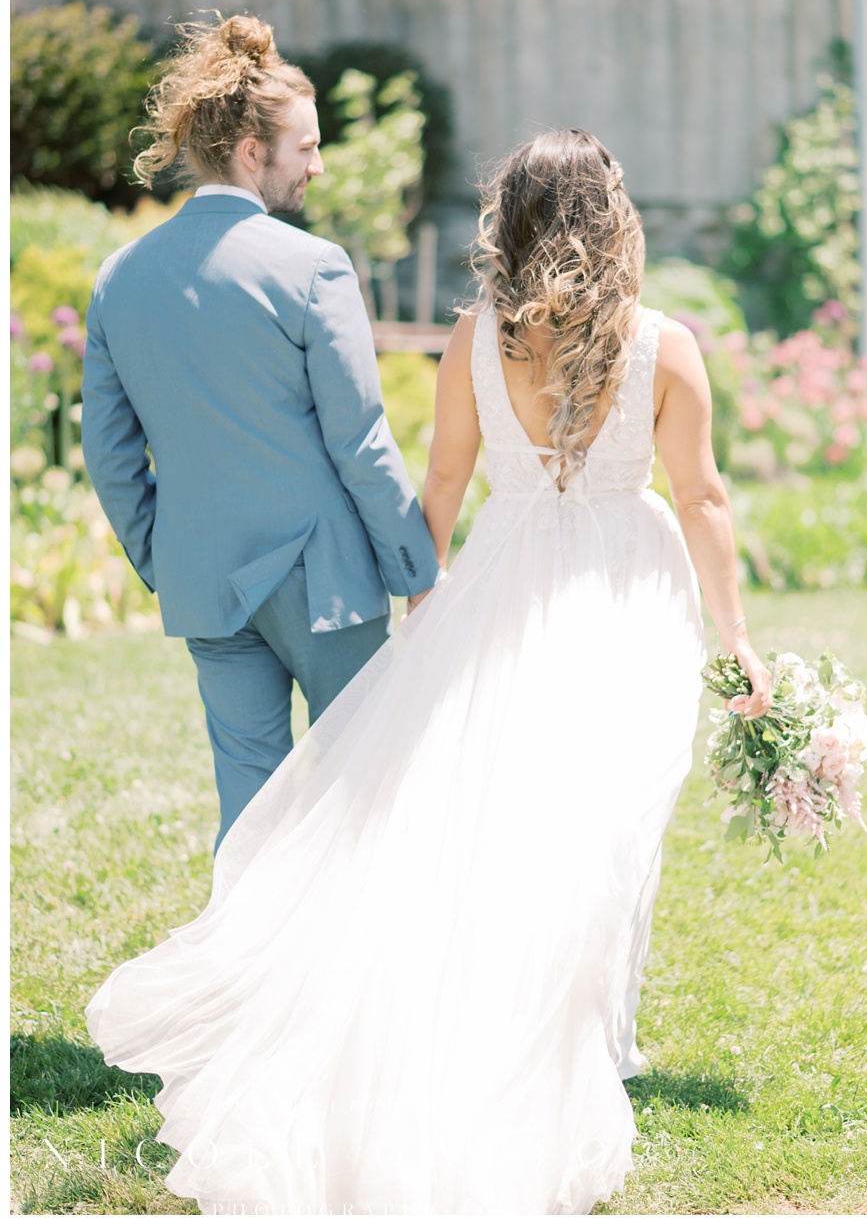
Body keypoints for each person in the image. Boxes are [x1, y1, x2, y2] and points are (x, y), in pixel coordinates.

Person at [85, 127, 776, 1213]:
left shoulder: (470, 342)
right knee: (603, 826)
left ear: (507, 222)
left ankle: (548, 1026)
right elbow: (702, 499)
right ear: (612, 218)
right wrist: (734, 637)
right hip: (624, 597)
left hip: (501, 584)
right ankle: (574, 1044)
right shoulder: (663, 342)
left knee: (505, 821)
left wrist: (427, 603)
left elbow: (442, 486)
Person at [82, 15, 438, 850]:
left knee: (251, 813)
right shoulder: (314, 267)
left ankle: (245, 976)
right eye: (306, 148)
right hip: (326, 585)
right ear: (251, 150)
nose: (317, 165)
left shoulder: (118, 279)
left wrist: (164, 555)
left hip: (206, 583)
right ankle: (350, 976)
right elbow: (360, 440)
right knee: (364, 802)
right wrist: (419, 571)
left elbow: (109, 451)